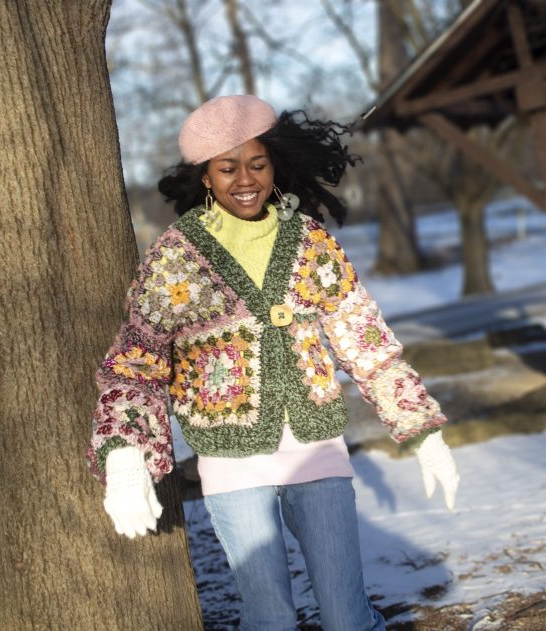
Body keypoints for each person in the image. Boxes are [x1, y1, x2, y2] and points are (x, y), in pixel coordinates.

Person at [87, 95, 460, 631]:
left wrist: (423, 430)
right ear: (206, 176)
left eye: (257, 164)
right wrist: (125, 454)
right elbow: (134, 364)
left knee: (346, 617)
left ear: (275, 165)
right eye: (227, 166)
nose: (245, 179)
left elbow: (366, 340)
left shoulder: (309, 242)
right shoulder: (176, 257)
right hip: (230, 458)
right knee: (270, 618)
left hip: (316, 451)